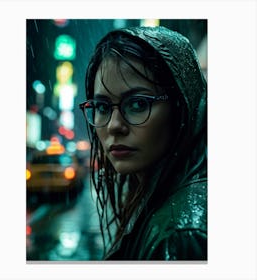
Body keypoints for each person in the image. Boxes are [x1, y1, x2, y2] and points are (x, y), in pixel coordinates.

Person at [79, 25, 207, 260]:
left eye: (138, 104)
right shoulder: (158, 201)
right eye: (102, 107)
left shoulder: (181, 236)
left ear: (181, 108)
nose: (114, 125)